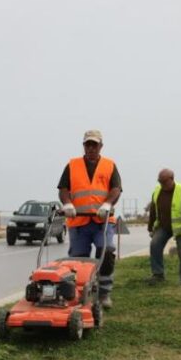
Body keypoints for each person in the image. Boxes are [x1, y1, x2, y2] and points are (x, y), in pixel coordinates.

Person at [58, 129, 122, 309]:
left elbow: (116, 188)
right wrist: (67, 204)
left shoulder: (110, 165)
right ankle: (78, 294)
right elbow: (63, 189)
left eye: (95, 144)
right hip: (78, 222)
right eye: (88, 144)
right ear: (84, 146)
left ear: (101, 146)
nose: (91, 148)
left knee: (107, 251)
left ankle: (104, 293)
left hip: (102, 221)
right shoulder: (72, 165)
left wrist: (108, 204)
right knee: (78, 260)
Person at [146, 169, 181, 285]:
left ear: (171, 179)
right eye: (159, 181)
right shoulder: (157, 192)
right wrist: (150, 228)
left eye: (164, 181)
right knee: (155, 244)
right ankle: (158, 274)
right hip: (164, 227)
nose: (162, 184)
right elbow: (152, 211)